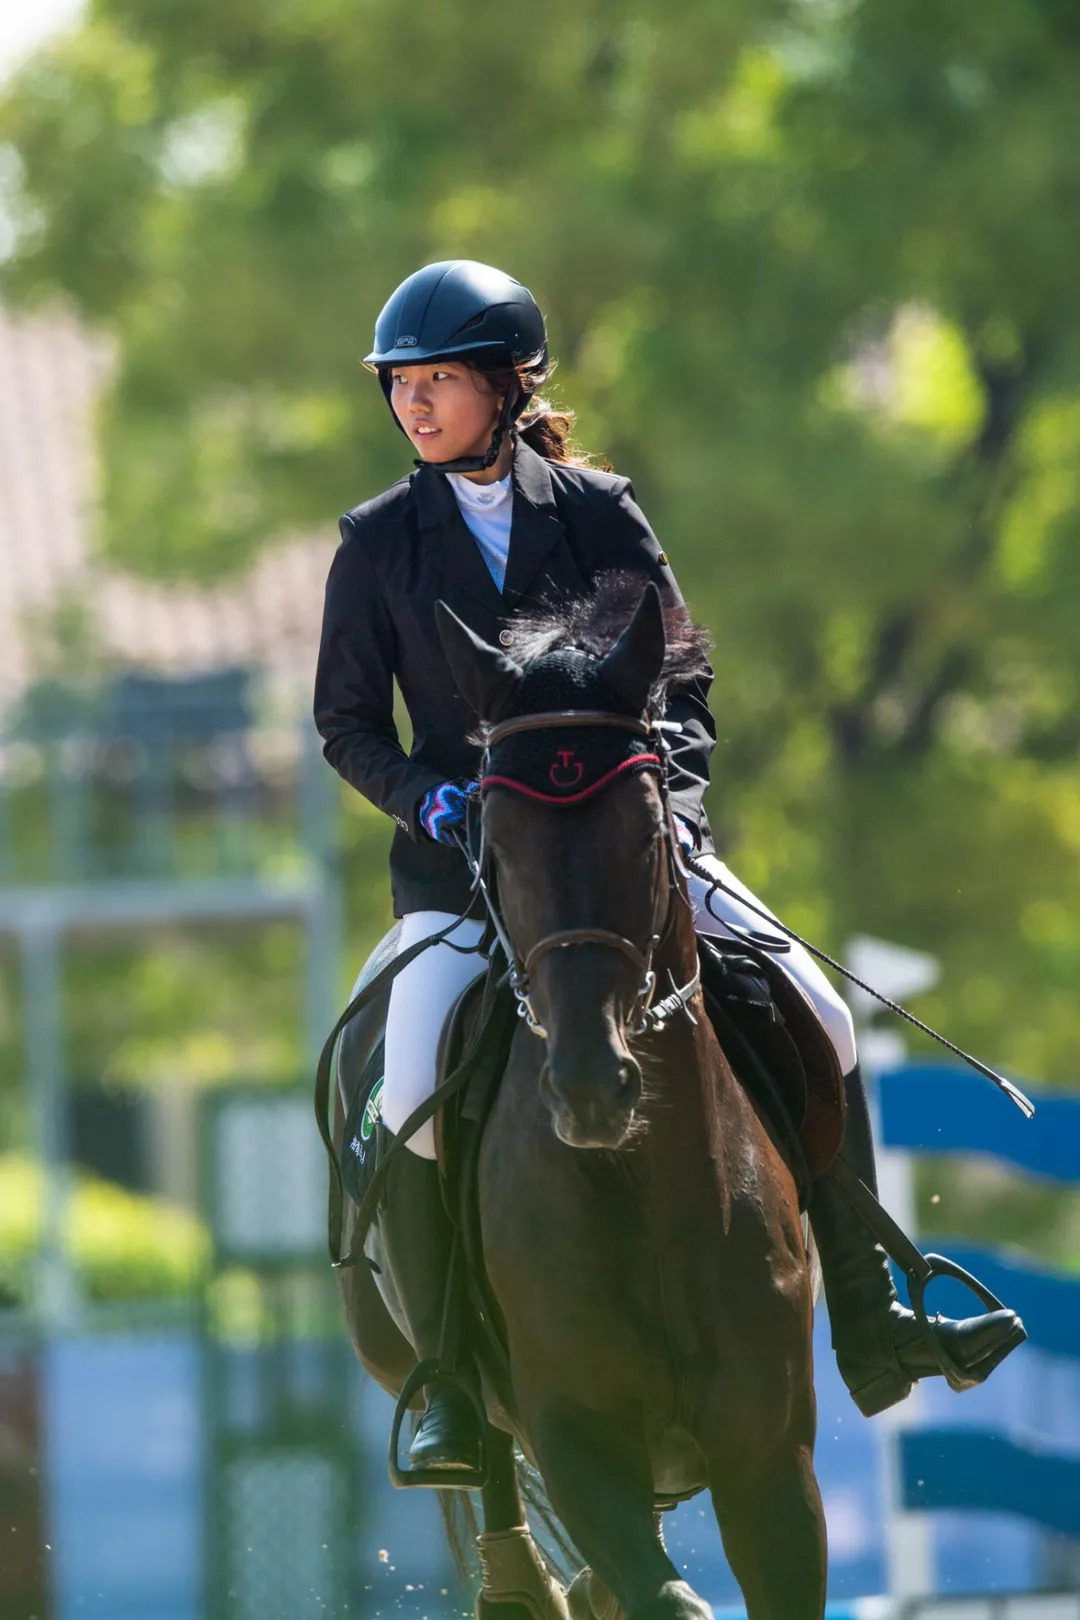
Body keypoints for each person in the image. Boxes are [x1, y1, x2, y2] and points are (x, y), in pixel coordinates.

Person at [314, 260, 1023, 1475]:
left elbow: (681, 680)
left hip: (625, 852)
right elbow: (346, 724)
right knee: (411, 1080)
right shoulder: (378, 544)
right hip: (465, 874)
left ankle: (872, 1305)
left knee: (812, 999)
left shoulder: (598, 511)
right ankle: (443, 1378)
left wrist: (671, 810)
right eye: (401, 385)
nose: (415, 406)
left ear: (505, 383)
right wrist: (430, 801)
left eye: (437, 381)